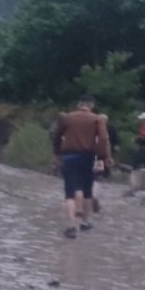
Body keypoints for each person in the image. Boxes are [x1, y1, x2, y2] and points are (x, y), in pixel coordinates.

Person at [52, 95, 112, 239]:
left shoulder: (67, 118)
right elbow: (103, 139)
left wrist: (57, 151)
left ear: (79, 104)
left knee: (70, 192)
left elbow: (57, 135)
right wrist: (103, 157)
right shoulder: (97, 119)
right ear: (91, 106)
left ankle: (71, 225)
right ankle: (85, 222)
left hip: (69, 156)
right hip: (88, 156)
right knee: (87, 190)